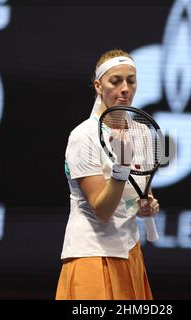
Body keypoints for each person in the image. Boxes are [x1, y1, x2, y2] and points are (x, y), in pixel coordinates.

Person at [55, 49, 160, 300]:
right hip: (91, 256)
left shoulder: (142, 133)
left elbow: (140, 191)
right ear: (98, 86)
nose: (125, 88)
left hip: (130, 254)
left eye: (131, 80)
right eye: (116, 81)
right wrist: (120, 170)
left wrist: (148, 205)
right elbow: (101, 211)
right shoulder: (82, 137)